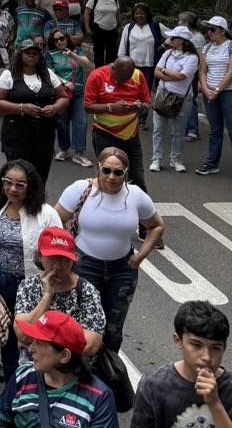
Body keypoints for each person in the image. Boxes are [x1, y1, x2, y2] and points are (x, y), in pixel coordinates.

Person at [54, 144, 164, 351]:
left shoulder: (136, 195)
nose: (112, 177)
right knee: (84, 326)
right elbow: (54, 220)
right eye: (106, 170)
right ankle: (81, 373)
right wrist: (65, 254)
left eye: (118, 172)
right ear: (98, 168)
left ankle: (108, 374)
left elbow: (157, 226)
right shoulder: (80, 189)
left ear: (125, 173)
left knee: (113, 331)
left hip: (122, 270)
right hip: (85, 266)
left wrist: (141, 255)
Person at [0, 310, 120, 428]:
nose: (30, 349)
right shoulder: (24, 375)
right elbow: (0, 419)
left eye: (39, 343)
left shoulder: (99, 397)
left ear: (64, 356)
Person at [0, 159, 61, 391]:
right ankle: (2, 390)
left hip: (29, 288)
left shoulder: (45, 213)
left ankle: (27, 389)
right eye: (8, 183)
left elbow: (59, 250)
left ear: (31, 187)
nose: (12, 189)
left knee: (25, 340)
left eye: (20, 185)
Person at [131, 300, 232, 428]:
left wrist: (215, 403)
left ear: (224, 347)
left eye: (215, 348)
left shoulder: (228, 389)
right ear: (178, 340)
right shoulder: (154, 385)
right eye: (196, 345)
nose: (206, 357)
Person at [14, 227, 106, 358]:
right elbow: (23, 335)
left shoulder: (87, 291)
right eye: (52, 258)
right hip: (34, 365)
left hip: (72, 368)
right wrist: (47, 295)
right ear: (40, 256)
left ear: (73, 260)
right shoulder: (28, 286)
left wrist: (41, 340)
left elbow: (90, 345)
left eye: (64, 259)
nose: (57, 266)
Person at [0, 40, 71, 182]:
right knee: (19, 173)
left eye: (35, 53)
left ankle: (37, 202)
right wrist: (21, 108)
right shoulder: (9, 75)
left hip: (44, 135)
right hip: (16, 135)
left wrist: (54, 108)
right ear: (20, 55)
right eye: (27, 53)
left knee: (40, 175)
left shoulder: (48, 74)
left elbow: (63, 97)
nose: (32, 56)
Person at [83, 55, 151, 191]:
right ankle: (104, 207)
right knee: (108, 178)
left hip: (131, 135)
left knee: (137, 179)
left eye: (126, 80)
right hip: (105, 134)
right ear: (112, 68)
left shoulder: (138, 76)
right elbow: (88, 106)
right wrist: (111, 107)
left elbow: (147, 103)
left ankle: (138, 209)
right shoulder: (97, 76)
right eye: (119, 79)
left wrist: (140, 106)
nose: (121, 83)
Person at [46, 26, 95, 167]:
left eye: (62, 38)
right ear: (52, 42)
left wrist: (72, 55)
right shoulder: (50, 54)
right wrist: (65, 82)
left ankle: (79, 153)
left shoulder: (77, 50)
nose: (60, 42)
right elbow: (49, 73)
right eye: (56, 40)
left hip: (78, 92)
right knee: (62, 122)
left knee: (81, 121)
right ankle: (63, 148)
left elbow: (88, 65)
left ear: (66, 38)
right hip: (61, 93)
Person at [151, 25, 198, 173]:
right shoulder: (168, 53)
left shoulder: (192, 57)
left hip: (183, 98)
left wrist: (165, 72)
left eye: (173, 38)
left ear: (182, 41)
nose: (169, 40)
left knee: (178, 131)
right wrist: (169, 75)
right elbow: (156, 72)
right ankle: (156, 159)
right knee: (158, 129)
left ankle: (176, 159)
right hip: (163, 94)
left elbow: (182, 76)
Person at [195, 15, 232, 176]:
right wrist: (205, 88)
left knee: (231, 128)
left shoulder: (230, 46)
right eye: (208, 29)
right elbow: (202, 71)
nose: (209, 32)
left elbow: (231, 71)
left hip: (227, 92)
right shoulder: (207, 48)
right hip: (209, 92)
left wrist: (217, 90)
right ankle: (212, 163)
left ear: (223, 31)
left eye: (213, 29)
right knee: (215, 129)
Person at [119, 2, 162, 91]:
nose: (139, 16)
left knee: (145, 91)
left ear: (147, 14)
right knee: (131, 90)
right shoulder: (129, 27)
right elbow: (123, 46)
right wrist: (121, 63)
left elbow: (174, 35)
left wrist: (164, 45)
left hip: (149, 67)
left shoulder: (155, 26)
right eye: (136, 13)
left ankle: (144, 105)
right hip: (132, 66)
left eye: (142, 13)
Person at [84, 0, 121, 69]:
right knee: (98, 54)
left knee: (112, 55)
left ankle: (109, 73)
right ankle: (99, 74)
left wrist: (119, 26)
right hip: (98, 30)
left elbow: (118, 13)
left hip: (112, 30)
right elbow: (87, 13)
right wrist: (87, 28)